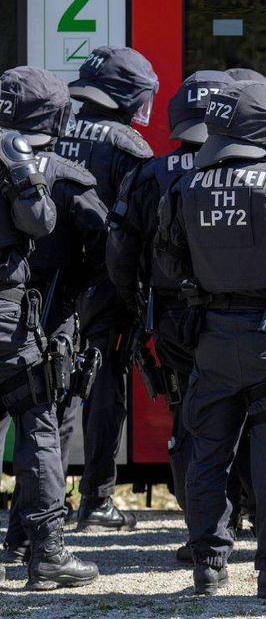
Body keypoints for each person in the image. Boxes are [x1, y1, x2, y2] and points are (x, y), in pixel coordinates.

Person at [156, 80, 266, 597]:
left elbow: (168, 266)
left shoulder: (184, 187)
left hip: (210, 337)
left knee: (208, 452)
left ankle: (207, 569)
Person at [105, 70, 233, 563]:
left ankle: (200, 526)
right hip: (236, 315)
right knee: (242, 411)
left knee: (188, 415)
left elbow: (121, 248)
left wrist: (137, 302)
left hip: (172, 314)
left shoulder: (147, 174)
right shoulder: (255, 171)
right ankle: (242, 515)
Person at [0, 67, 100, 588]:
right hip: (17, 321)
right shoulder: (60, 173)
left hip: (20, 316)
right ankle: (48, 554)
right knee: (39, 427)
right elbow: (99, 247)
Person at [57, 46, 158, 531]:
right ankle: (96, 500)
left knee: (47, 392)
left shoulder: (55, 130)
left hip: (49, 284)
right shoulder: (128, 147)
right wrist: (138, 294)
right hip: (105, 286)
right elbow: (135, 231)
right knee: (102, 389)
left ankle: (45, 504)